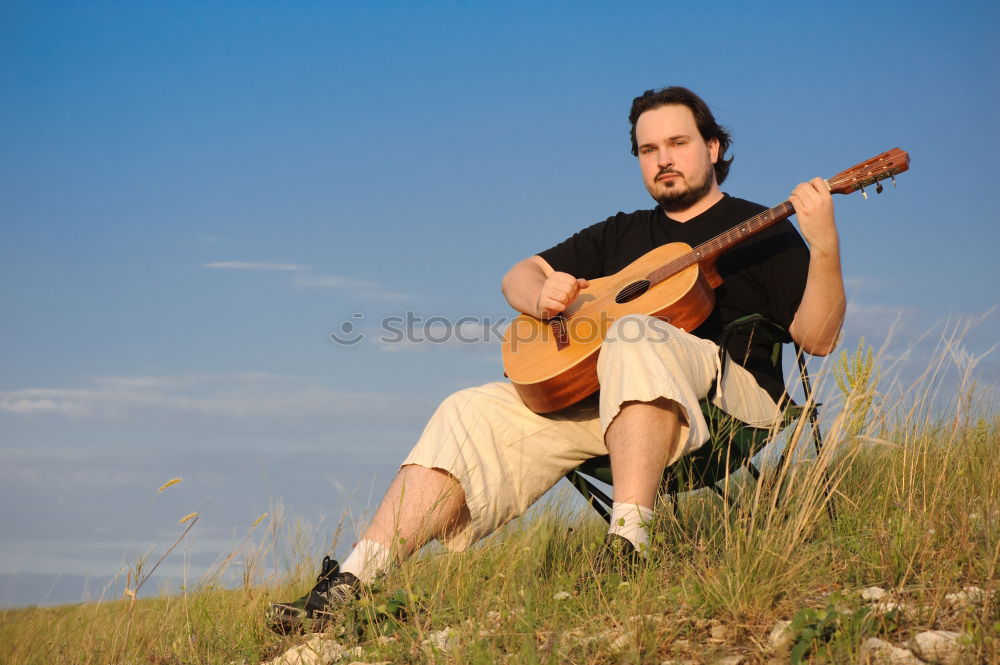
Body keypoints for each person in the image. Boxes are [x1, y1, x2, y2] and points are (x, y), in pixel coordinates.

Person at [267, 86, 846, 633]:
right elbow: (517, 274)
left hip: (727, 402)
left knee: (633, 337)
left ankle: (630, 547)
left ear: (713, 148)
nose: (663, 160)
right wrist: (538, 295)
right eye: (648, 150)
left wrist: (824, 244)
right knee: (467, 409)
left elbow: (817, 339)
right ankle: (349, 584)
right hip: (608, 404)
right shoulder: (620, 233)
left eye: (678, 143)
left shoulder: (764, 228)